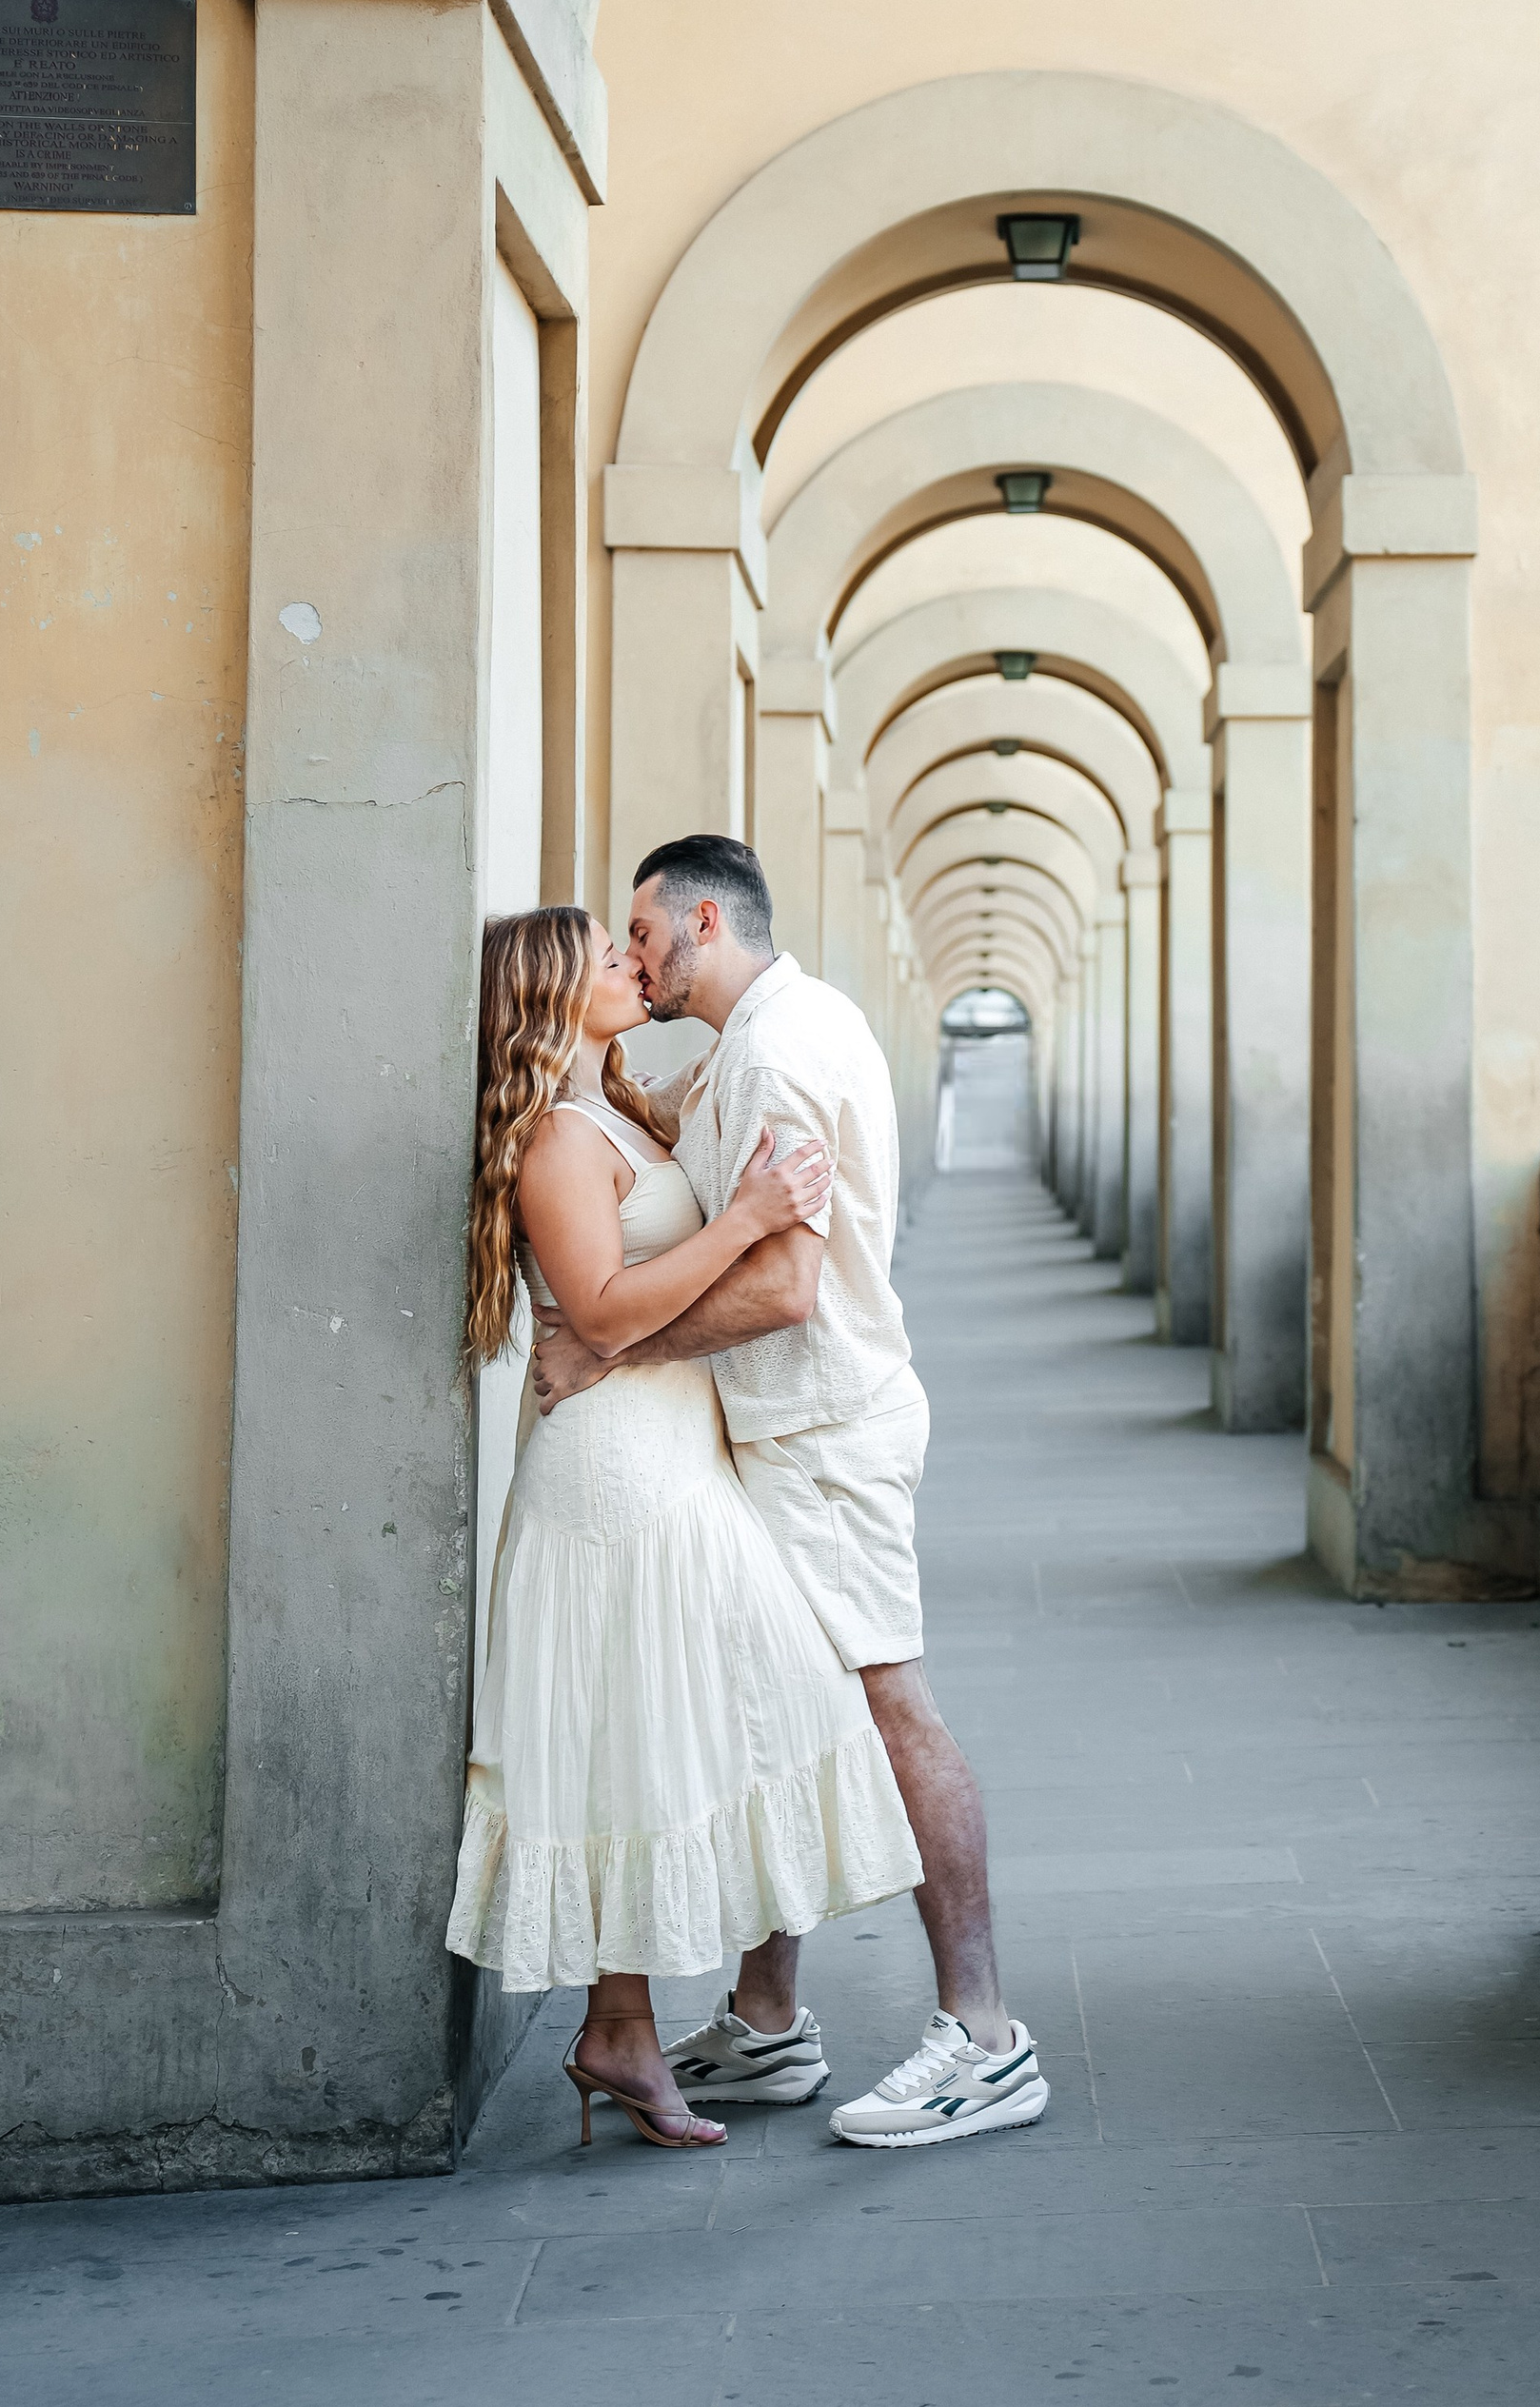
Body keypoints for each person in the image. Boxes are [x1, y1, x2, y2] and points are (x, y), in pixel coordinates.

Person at [530, 832, 1048, 2148]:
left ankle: (984, 2037)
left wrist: (610, 1343)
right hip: (773, 1431)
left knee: (887, 1700)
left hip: (824, 1430)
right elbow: (698, 1175)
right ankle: (767, 2023)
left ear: (704, 920)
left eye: (643, 931)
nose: (632, 953)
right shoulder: (764, 1034)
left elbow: (785, 1282)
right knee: (775, 1706)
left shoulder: (771, 1048)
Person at [445, 906, 922, 2151]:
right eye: (607, 953)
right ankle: (640, 2027)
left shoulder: (608, 1105)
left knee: (661, 1731)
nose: (630, 963)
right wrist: (749, 1215)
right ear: (551, 993)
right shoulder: (554, 1135)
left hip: (667, 1454)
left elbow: (740, 1066)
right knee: (670, 1727)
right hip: (617, 1475)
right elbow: (598, 1313)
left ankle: (632, 2028)